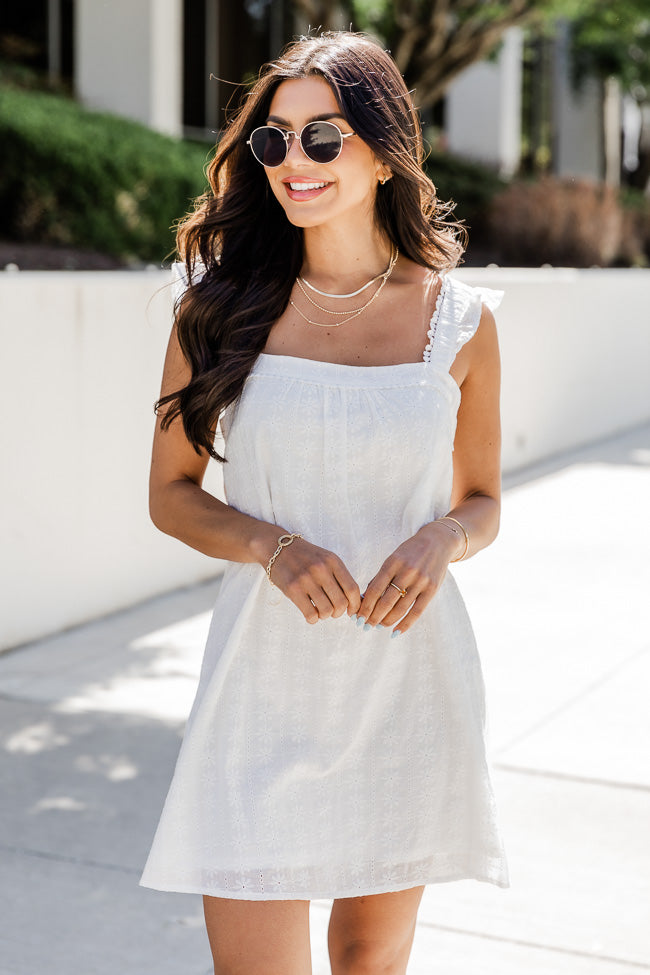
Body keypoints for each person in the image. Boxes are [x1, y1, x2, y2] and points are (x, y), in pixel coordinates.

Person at [140, 29, 508, 975]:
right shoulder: (217, 308)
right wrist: (269, 543)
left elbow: (482, 500)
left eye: (321, 137)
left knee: (368, 958)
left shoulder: (460, 323)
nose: (291, 163)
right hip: (260, 690)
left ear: (383, 152)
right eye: (272, 141)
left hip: (406, 683)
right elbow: (173, 497)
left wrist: (442, 539)